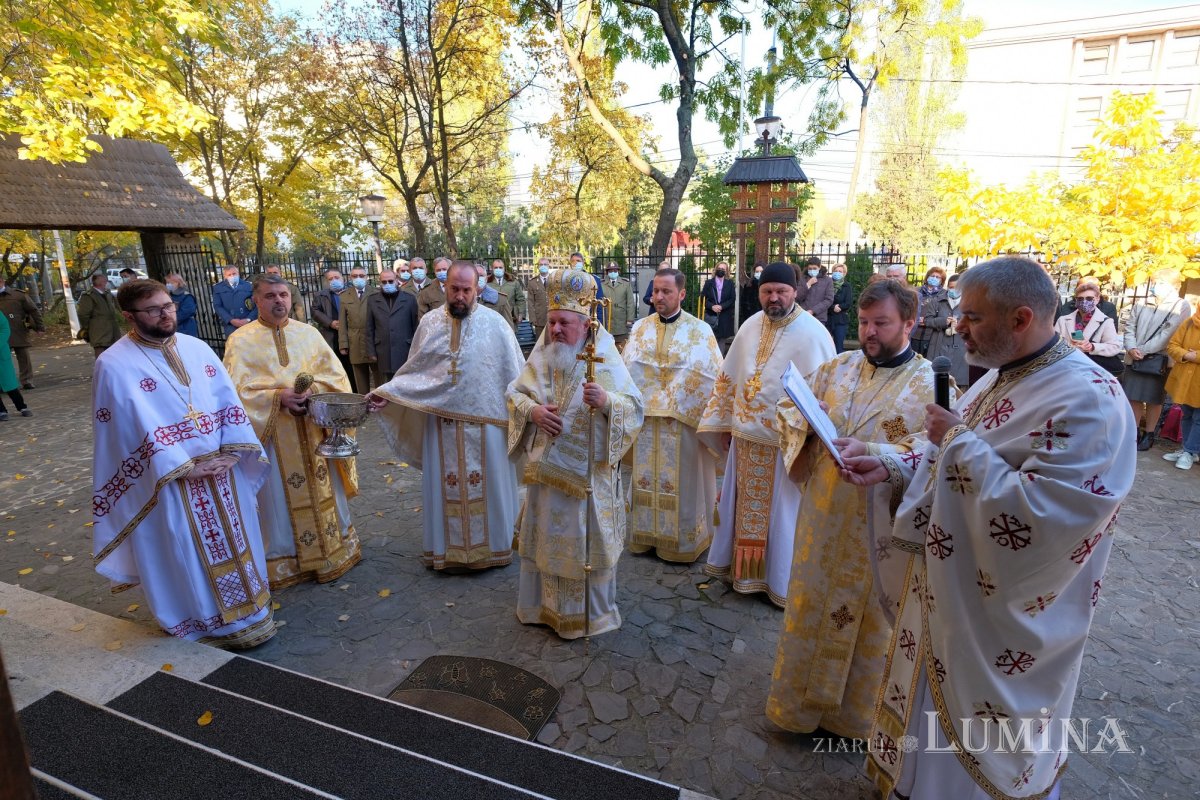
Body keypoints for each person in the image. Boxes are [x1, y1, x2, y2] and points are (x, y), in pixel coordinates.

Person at [839, 256, 1134, 800]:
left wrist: (956, 445)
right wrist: (894, 465)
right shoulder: (1000, 377)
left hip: (999, 618)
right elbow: (944, 459)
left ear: (1020, 319)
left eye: (972, 318)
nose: (957, 327)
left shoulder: (1088, 398)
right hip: (948, 597)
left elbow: (1046, 519)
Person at [767, 279, 947, 740]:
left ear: (911, 322)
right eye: (865, 322)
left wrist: (875, 451)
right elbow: (789, 411)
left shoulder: (930, 384)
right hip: (823, 520)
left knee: (867, 620)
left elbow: (939, 453)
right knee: (810, 606)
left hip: (879, 529)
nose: (869, 332)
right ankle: (796, 710)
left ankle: (851, 720)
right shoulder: (840, 366)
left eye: (881, 323)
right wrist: (807, 424)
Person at [92, 278, 276, 648]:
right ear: (129, 315)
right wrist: (184, 466)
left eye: (168, 305)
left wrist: (231, 450)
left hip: (223, 471)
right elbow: (124, 431)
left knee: (239, 540)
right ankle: (203, 623)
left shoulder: (196, 348)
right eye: (154, 309)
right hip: (169, 480)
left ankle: (251, 613)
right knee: (183, 550)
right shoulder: (112, 364)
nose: (165, 314)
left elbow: (228, 402)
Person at [507, 268, 644, 638]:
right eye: (551, 322)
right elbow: (514, 394)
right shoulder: (543, 353)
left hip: (587, 479)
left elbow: (634, 407)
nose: (554, 330)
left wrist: (606, 402)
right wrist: (532, 411)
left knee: (583, 541)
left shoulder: (605, 356)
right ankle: (542, 608)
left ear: (585, 324)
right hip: (546, 477)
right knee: (545, 543)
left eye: (563, 323)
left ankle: (590, 615)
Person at [368, 261, 525, 571]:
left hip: (488, 426)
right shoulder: (429, 323)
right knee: (445, 486)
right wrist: (389, 393)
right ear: (445, 286)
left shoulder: (496, 325)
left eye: (467, 290)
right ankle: (447, 552)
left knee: (491, 485)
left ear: (478, 288)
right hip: (442, 426)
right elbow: (416, 373)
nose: (460, 296)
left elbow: (516, 376)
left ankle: (493, 549)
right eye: (455, 289)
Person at [696, 262, 836, 606]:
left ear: (795, 291)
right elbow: (730, 379)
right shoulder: (749, 326)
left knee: (782, 515)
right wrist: (725, 424)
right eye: (767, 291)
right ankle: (739, 572)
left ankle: (777, 581)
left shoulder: (814, 333)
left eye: (781, 292)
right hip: (744, 438)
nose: (774, 298)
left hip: (784, 447)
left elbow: (824, 396)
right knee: (740, 509)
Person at [224, 274, 362, 588]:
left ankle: (332, 550)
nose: (279, 301)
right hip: (273, 439)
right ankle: (284, 561)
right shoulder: (240, 341)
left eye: (284, 295)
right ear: (256, 300)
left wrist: (314, 389)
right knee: (276, 502)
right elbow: (233, 393)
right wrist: (276, 397)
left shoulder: (309, 334)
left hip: (313, 432)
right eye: (270, 296)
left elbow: (337, 380)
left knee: (323, 490)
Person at [623, 268, 722, 563]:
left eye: (666, 291)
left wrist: (678, 400)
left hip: (682, 424)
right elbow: (628, 368)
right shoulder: (640, 327)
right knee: (645, 480)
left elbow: (710, 376)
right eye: (655, 291)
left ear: (681, 294)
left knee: (683, 485)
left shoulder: (700, 330)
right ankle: (645, 539)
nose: (659, 297)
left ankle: (680, 545)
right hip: (646, 422)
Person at [1123, 270, 1190, 451]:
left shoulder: (1180, 305)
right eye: (1154, 282)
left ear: (1172, 285)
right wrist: (1131, 347)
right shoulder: (1142, 302)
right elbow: (1130, 326)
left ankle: (1150, 433)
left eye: (1159, 282)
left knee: (1154, 399)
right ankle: (1134, 431)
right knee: (1132, 397)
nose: (1154, 286)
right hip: (1134, 355)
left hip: (1159, 360)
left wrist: (1142, 350)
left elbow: (1169, 334)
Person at [1055, 281, 1121, 374]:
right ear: (1076, 300)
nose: (1084, 302)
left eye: (1089, 298)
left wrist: (1092, 347)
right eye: (1080, 299)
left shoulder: (1106, 321)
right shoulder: (1062, 320)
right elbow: (1054, 345)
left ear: (1097, 299)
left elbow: (1114, 347)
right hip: (1066, 369)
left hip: (1091, 370)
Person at [1163, 305, 1200, 470]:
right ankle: (1188, 450)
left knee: (1199, 419)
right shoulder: (1189, 323)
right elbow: (1172, 345)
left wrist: (1196, 356)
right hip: (1185, 380)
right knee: (1187, 415)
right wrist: (1186, 354)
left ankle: (1190, 451)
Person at [366, 268, 419, 378]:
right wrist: (371, 352)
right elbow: (369, 328)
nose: (387, 284)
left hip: (404, 349)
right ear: (379, 282)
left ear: (396, 280)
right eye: (384, 282)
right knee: (387, 387)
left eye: (390, 281)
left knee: (405, 383)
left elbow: (416, 327)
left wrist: (416, 350)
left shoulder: (409, 299)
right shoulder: (372, 300)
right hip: (383, 351)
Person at [923, 272, 969, 389]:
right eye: (951, 287)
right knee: (933, 384)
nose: (953, 290)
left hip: (959, 350)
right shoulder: (937, 301)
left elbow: (975, 324)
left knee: (956, 387)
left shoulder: (969, 304)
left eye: (957, 288)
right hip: (938, 346)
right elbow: (927, 320)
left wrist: (960, 324)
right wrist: (943, 321)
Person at [311, 269, 355, 390]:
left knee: (352, 368)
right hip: (331, 336)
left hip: (350, 336)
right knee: (335, 367)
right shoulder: (320, 295)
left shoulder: (352, 293)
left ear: (343, 278)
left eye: (337, 277)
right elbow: (315, 311)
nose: (334, 280)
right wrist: (330, 323)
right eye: (330, 279)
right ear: (326, 281)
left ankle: (354, 391)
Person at [339, 266, 380, 392]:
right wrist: (343, 344)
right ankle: (364, 403)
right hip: (354, 340)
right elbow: (342, 322)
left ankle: (381, 401)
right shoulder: (345, 296)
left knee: (378, 374)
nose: (358, 278)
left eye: (361, 276)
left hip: (373, 340)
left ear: (366, 277)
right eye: (355, 276)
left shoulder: (376, 293)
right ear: (350, 278)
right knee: (360, 375)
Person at [0, 273, 45, 388]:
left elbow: (33, 310)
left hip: (18, 330)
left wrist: (40, 327)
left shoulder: (18, 295)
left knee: (23, 357)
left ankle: (26, 381)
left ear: (2, 281)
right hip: (2, 334)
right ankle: (4, 383)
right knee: (3, 359)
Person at [77, 273, 124, 357]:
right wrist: (87, 327)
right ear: (97, 282)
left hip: (112, 328)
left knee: (114, 350)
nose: (105, 281)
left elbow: (118, 307)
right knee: (100, 351)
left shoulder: (108, 293)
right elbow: (83, 314)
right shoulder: (88, 295)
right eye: (103, 280)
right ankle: (101, 369)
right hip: (98, 329)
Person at [910, 266, 948, 356]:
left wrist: (927, 321)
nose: (934, 278)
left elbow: (945, 313)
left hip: (931, 335)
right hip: (914, 332)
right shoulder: (916, 291)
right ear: (927, 277)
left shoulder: (944, 294)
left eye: (938, 277)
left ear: (942, 281)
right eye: (932, 276)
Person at [0, 311, 31, 420]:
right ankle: (1, 411)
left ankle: (22, 406)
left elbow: (4, 329)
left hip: (1, 353)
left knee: (10, 384)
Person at [701, 262, 737, 354]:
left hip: (724, 316)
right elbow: (702, 298)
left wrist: (721, 306)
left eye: (723, 269)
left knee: (722, 340)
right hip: (711, 315)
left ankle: (720, 363)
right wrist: (712, 306)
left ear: (726, 271)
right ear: (716, 269)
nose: (721, 270)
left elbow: (732, 299)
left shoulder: (730, 283)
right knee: (710, 339)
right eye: (719, 268)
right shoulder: (709, 283)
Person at [211, 266, 256, 337]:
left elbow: (257, 304)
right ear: (225, 276)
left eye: (234, 273)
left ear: (238, 274)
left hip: (249, 323)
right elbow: (217, 306)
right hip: (230, 325)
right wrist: (230, 320)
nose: (232, 276)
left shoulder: (249, 285)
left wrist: (248, 319)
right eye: (229, 274)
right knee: (233, 346)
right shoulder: (218, 288)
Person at [474, 265, 515, 329]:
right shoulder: (462, 300)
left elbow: (509, 330)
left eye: (481, 275)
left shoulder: (501, 300)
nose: (478, 278)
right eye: (475, 275)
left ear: (486, 279)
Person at [826, 262, 854, 353]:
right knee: (826, 345)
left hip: (840, 320)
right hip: (827, 318)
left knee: (838, 346)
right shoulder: (827, 284)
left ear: (844, 274)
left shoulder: (847, 286)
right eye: (836, 271)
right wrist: (833, 307)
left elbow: (848, 303)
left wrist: (840, 307)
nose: (838, 273)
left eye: (840, 271)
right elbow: (824, 300)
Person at [800, 258, 835, 329]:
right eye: (810, 268)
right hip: (802, 316)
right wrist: (808, 284)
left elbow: (829, 299)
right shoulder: (802, 279)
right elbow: (797, 296)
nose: (812, 270)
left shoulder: (828, 280)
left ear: (819, 267)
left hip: (819, 318)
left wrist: (813, 311)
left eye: (814, 268)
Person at [491, 259, 527, 323]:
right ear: (492, 269)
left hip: (510, 318)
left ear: (504, 268)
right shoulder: (487, 283)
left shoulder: (513, 282)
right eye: (496, 268)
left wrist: (521, 314)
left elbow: (521, 299)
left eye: (500, 267)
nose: (498, 269)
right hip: (493, 318)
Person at [164, 273, 199, 338]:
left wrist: (170, 320)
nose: (167, 285)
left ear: (177, 283)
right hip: (174, 328)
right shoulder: (168, 296)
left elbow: (188, 311)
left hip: (185, 328)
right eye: (167, 282)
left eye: (169, 282)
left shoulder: (186, 296)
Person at [526, 257, 551, 341]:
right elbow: (530, 302)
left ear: (548, 266)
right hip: (539, 319)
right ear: (538, 266)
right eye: (541, 264)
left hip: (553, 318)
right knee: (540, 344)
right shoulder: (532, 282)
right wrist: (532, 318)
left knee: (554, 343)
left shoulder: (554, 280)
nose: (543, 266)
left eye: (545, 264)